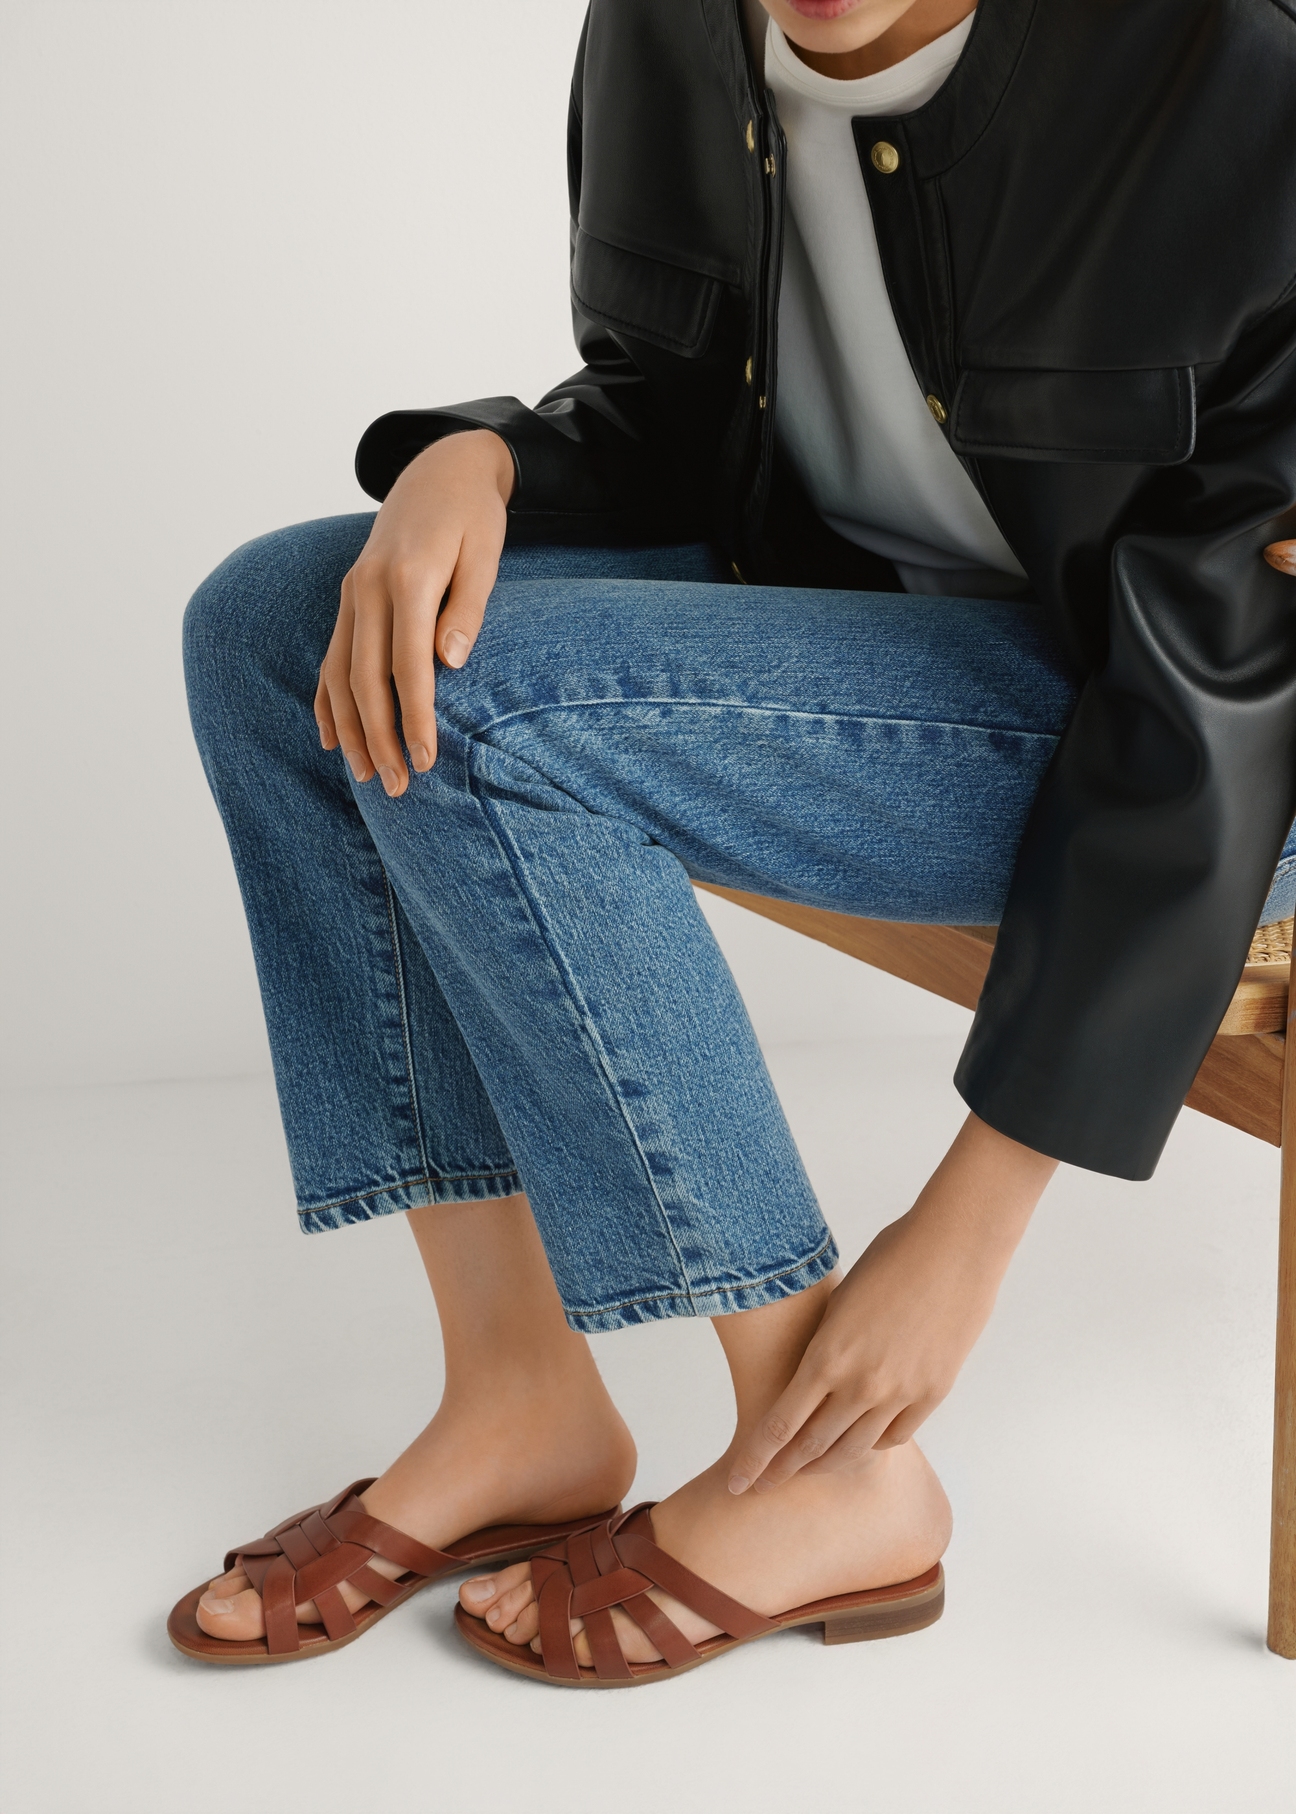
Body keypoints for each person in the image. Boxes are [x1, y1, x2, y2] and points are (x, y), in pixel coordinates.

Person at [172, 0, 1296, 1683]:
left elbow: (1231, 673)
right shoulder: (668, 28)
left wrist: (971, 1219)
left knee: (497, 711)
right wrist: (474, 458)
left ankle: (823, 1466)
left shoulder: (1223, 75)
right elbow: (671, 415)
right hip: (848, 628)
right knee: (274, 624)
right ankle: (519, 1396)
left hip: (1159, 729)